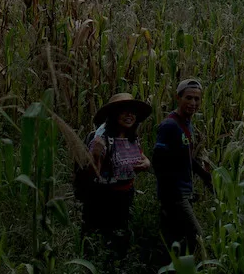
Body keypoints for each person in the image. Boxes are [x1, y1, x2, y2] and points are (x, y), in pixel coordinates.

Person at [79, 92, 153, 259]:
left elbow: (140, 157)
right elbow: (92, 173)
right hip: (104, 198)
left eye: (132, 112)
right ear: (113, 115)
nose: (129, 115)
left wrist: (146, 163)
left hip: (125, 195)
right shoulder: (102, 140)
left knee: (121, 237)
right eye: (123, 111)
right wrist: (96, 157)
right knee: (100, 238)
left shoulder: (132, 138)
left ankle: (119, 273)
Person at [152, 77, 212, 256]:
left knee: (175, 239)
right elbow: (157, 160)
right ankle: (201, 271)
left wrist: (205, 177)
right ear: (178, 98)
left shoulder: (187, 124)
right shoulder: (170, 125)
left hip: (184, 191)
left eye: (197, 99)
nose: (193, 102)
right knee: (198, 237)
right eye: (188, 98)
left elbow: (186, 157)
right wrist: (171, 192)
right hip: (176, 194)